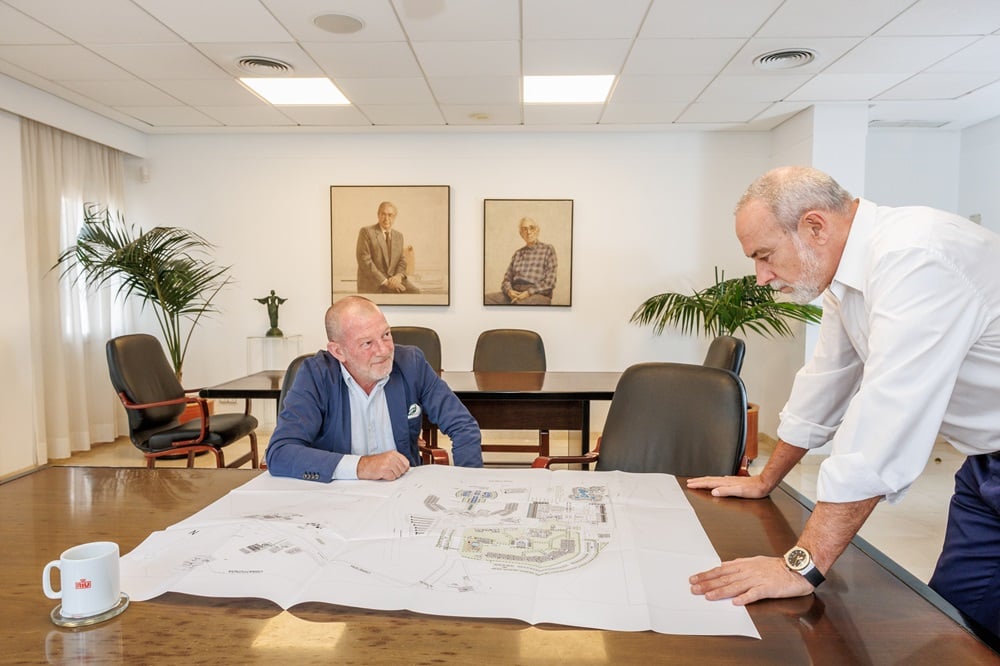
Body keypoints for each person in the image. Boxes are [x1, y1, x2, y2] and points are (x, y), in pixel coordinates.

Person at [685, 166, 1000, 638]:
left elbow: (884, 420)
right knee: (958, 625)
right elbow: (825, 383)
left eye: (766, 256)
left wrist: (800, 568)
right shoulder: (847, 275)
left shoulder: (916, 257)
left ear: (814, 226)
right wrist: (765, 478)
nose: (762, 277)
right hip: (984, 468)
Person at [265, 296, 482, 481]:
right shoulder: (316, 375)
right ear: (338, 351)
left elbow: (463, 426)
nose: (384, 350)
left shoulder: (410, 364)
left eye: (386, 335)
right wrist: (362, 466)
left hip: (402, 492)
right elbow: (280, 453)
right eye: (367, 343)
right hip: (338, 497)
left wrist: (468, 486)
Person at [485, 216, 557, 305]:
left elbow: (550, 283)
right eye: (524, 229)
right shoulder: (517, 254)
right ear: (521, 234)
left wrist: (528, 292)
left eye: (532, 228)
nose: (529, 232)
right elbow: (506, 280)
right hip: (514, 293)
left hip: (537, 294)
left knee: (517, 305)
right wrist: (509, 291)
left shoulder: (548, 249)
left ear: (537, 230)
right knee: (485, 299)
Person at [356, 201, 420, 294]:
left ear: (394, 217)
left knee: (415, 293)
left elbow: (402, 261)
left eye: (390, 215)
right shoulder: (366, 232)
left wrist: (398, 276)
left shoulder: (399, 236)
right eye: (383, 214)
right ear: (378, 215)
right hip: (374, 284)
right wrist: (386, 282)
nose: (386, 218)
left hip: (394, 281)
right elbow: (365, 261)